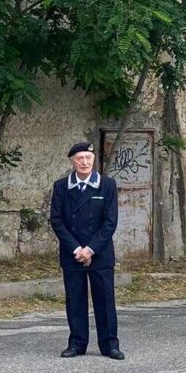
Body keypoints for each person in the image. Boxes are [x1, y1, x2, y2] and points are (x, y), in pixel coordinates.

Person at [49, 141, 123, 360]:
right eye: (79, 158)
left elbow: (110, 222)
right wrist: (77, 249)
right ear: (72, 161)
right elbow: (57, 220)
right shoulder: (61, 186)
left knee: (105, 300)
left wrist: (90, 249)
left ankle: (110, 344)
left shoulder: (107, 185)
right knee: (75, 299)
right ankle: (77, 343)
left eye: (88, 158)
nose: (84, 162)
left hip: (99, 252)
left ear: (94, 160)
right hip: (72, 253)